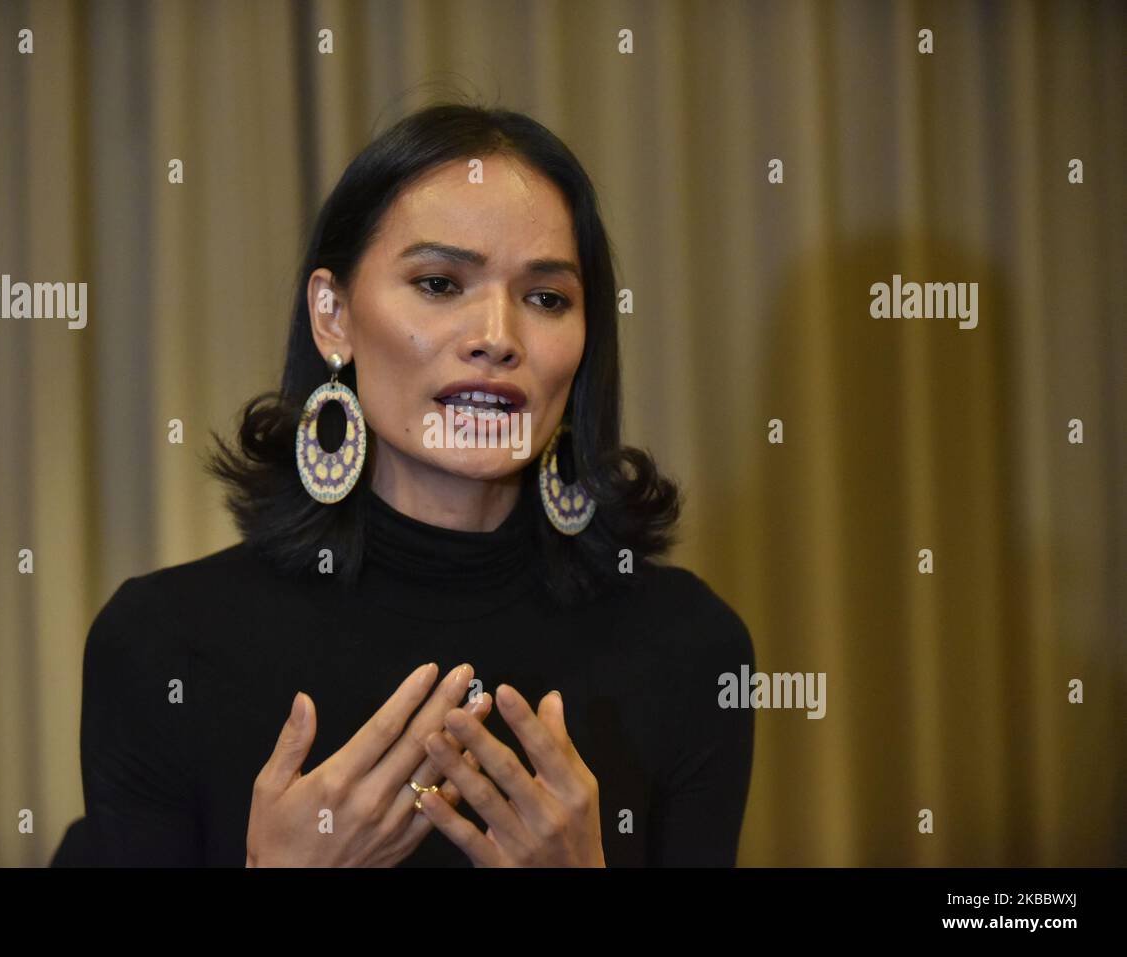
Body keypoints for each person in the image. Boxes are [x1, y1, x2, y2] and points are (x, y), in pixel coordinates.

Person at [51, 102, 755, 867]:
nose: (497, 335)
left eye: (546, 298)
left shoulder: (689, 648)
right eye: (439, 282)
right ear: (335, 318)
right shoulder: (163, 646)